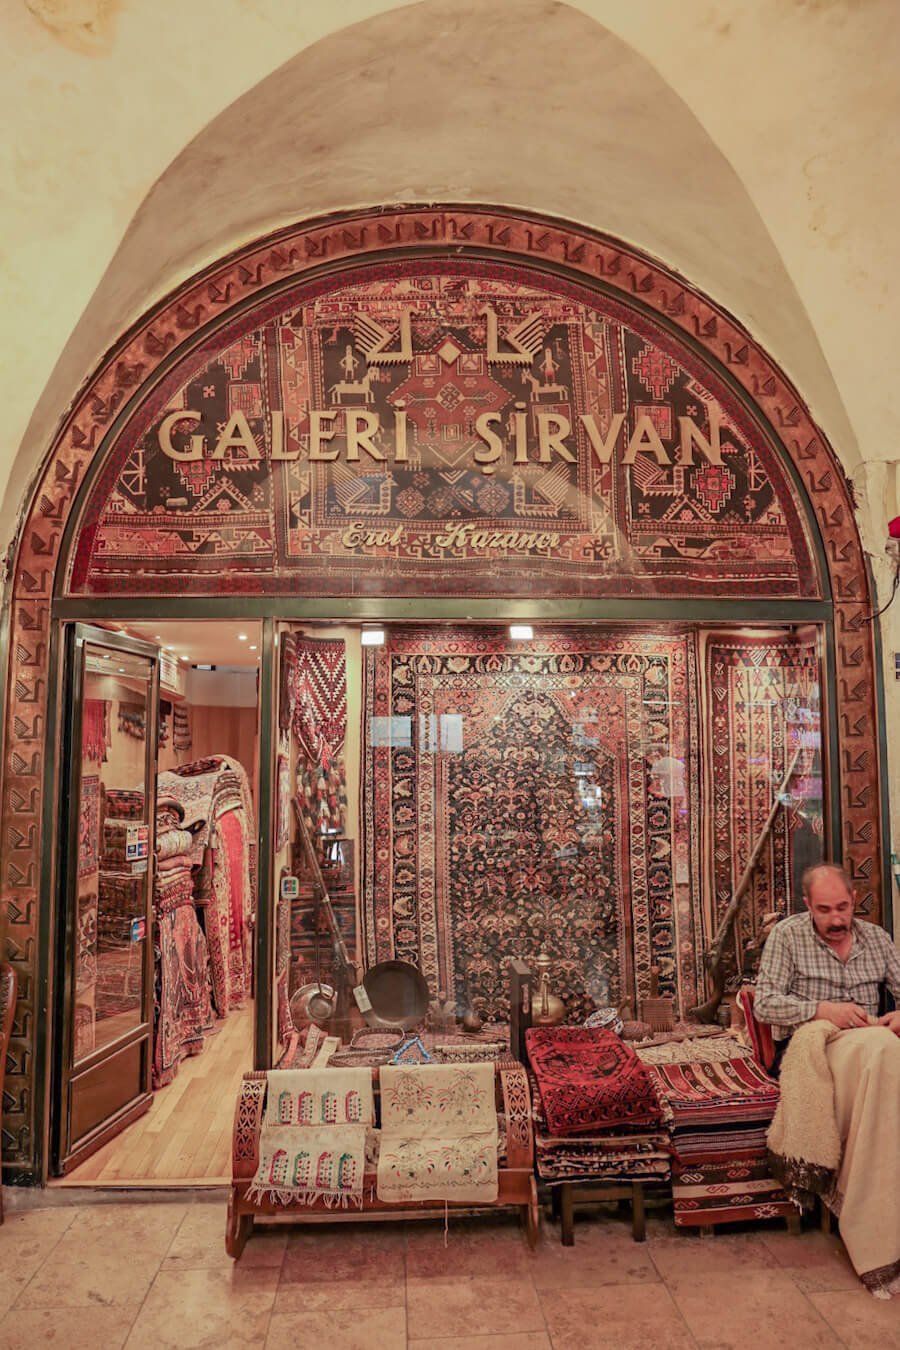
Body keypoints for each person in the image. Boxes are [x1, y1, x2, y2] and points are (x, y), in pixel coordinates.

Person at [755, 862, 900, 1042]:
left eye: (842, 907)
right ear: (809, 905)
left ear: (853, 900)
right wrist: (820, 1011)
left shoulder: (877, 937)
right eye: (824, 910)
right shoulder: (787, 935)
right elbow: (764, 1005)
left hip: (867, 1037)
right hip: (810, 1042)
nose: (836, 920)